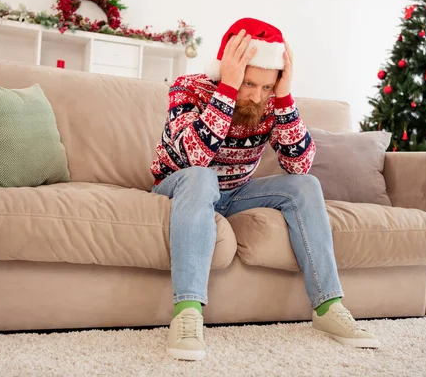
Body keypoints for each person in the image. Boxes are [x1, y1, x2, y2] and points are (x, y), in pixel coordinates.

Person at [150, 18, 379, 361]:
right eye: (249, 83)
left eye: (266, 87)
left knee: (305, 185)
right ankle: (187, 314)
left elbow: (299, 165)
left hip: (235, 194)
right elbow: (194, 158)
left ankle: (329, 307)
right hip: (180, 187)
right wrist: (227, 91)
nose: (257, 96)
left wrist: (284, 98)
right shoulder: (187, 88)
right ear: (228, 68)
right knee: (203, 177)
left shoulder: (270, 102)